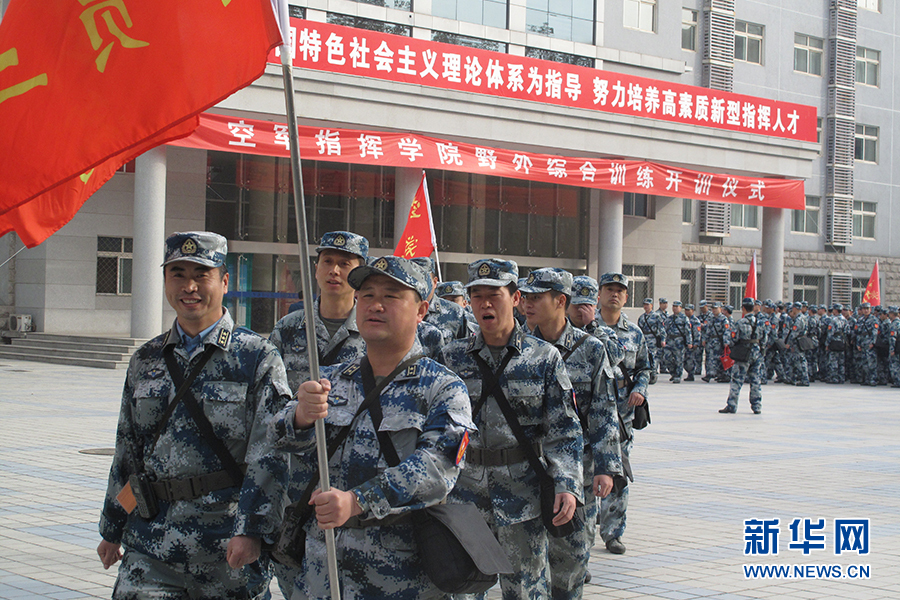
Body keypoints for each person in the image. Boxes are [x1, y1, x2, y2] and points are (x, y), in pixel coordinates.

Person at [97, 231, 291, 598]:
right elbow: (128, 452)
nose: (189, 286)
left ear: (224, 280)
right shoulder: (146, 360)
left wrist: (252, 531)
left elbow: (272, 456)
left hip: (225, 547)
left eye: (201, 274)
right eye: (178, 273)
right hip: (150, 542)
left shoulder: (257, 358)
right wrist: (112, 526)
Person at [269, 255, 474, 600]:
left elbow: (436, 471)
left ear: (421, 310)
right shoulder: (333, 379)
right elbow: (276, 436)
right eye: (366, 295)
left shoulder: (442, 388)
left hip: (402, 575)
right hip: (324, 571)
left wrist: (357, 500)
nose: (375, 305)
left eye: (391, 296)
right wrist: (300, 416)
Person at [439, 259, 583, 599]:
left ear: (515, 298)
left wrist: (567, 483)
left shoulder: (543, 358)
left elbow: (564, 429)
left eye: (495, 295)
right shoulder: (451, 358)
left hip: (523, 497)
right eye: (477, 296)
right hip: (465, 495)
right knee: (462, 589)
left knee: (526, 589)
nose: (485, 304)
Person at [268, 231, 370, 597]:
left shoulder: (374, 331)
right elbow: (270, 408)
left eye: (346, 263)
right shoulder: (289, 330)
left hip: (352, 487)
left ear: (360, 273)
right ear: (315, 269)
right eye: (328, 261)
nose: (335, 270)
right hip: (295, 488)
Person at [520, 268, 622, 599]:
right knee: (527, 557)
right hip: (525, 467)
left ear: (560, 301)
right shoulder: (517, 346)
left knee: (573, 553)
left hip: (580, 467)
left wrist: (607, 467)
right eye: (525, 298)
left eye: (536, 298)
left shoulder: (590, 349)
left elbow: (603, 410)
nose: (527, 304)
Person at [595, 272, 651, 556]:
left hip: (621, 418)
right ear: (599, 293)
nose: (614, 295)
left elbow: (645, 368)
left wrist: (640, 388)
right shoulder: (585, 326)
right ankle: (585, 529)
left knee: (617, 475)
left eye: (619, 291)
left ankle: (613, 532)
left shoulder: (635, 333)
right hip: (589, 419)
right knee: (586, 474)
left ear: (626, 297)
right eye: (609, 289)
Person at [719, 298, 765, 414]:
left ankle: (732, 405)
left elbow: (733, 339)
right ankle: (757, 406)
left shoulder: (740, 323)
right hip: (756, 352)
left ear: (743, 308)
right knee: (755, 380)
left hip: (743, 353)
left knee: (736, 380)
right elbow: (764, 339)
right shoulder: (760, 322)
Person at [412, 257, 476, 340]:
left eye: (425, 280)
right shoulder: (399, 310)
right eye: (414, 280)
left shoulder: (455, 313)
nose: (420, 285)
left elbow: (468, 347)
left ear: (435, 282)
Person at [636, 298, 665, 385]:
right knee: (645, 357)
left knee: (653, 357)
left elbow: (662, 329)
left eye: (648, 305)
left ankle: (653, 374)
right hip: (644, 340)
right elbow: (639, 331)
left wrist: (663, 340)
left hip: (652, 339)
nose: (646, 306)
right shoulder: (641, 317)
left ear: (651, 306)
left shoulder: (657, 316)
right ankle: (646, 374)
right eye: (645, 305)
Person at [663, 300, 692, 383]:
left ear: (680, 308)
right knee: (666, 358)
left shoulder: (684, 318)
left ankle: (678, 376)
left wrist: (689, 342)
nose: (675, 308)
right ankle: (673, 373)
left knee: (679, 359)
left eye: (677, 307)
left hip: (679, 341)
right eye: (674, 306)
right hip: (670, 341)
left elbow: (687, 331)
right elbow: (665, 330)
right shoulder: (669, 318)